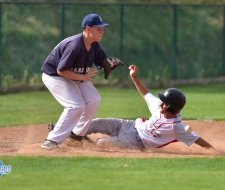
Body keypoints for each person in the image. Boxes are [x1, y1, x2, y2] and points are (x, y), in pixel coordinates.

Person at [85, 65, 216, 151]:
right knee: (96, 123)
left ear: (170, 108)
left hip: (136, 142)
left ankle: (83, 146)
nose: (161, 103)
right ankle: (73, 134)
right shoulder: (159, 107)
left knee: (101, 143)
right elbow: (145, 94)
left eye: (164, 102)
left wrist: (216, 153)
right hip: (129, 125)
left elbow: (198, 140)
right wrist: (134, 77)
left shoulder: (177, 128)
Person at [41, 13, 122, 150]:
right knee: (76, 105)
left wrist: (106, 63)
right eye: (99, 29)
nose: (102, 31)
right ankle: (51, 140)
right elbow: (61, 70)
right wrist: (84, 77)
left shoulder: (93, 45)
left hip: (76, 75)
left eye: (102, 29)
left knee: (94, 99)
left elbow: (101, 60)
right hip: (55, 76)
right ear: (88, 29)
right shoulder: (75, 46)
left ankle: (76, 136)